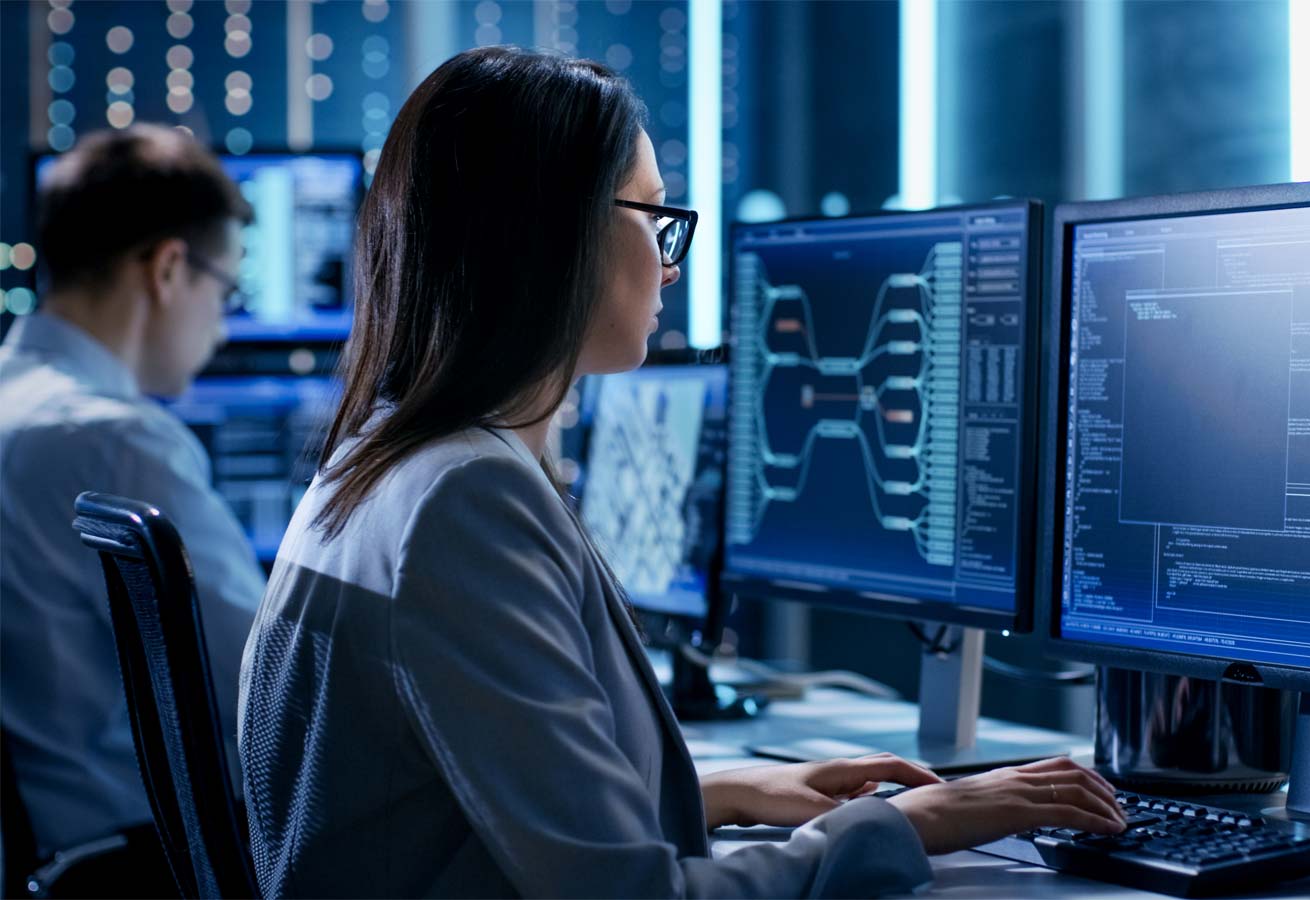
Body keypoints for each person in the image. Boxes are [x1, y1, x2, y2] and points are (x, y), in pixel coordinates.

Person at [238, 47, 1124, 899]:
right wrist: (904, 825)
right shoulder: (463, 499)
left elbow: (453, 805)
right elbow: (634, 894)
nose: (668, 263)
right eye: (652, 216)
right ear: (551, 233)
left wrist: (721, 790)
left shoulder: (378, 461)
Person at [0, 125, 264, 866]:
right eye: (227, 289)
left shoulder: (17, 403)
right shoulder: (115, 441)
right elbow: (271, 691)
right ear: (169, 269)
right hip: (147, 859)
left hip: (60, 855)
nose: (220, 326)